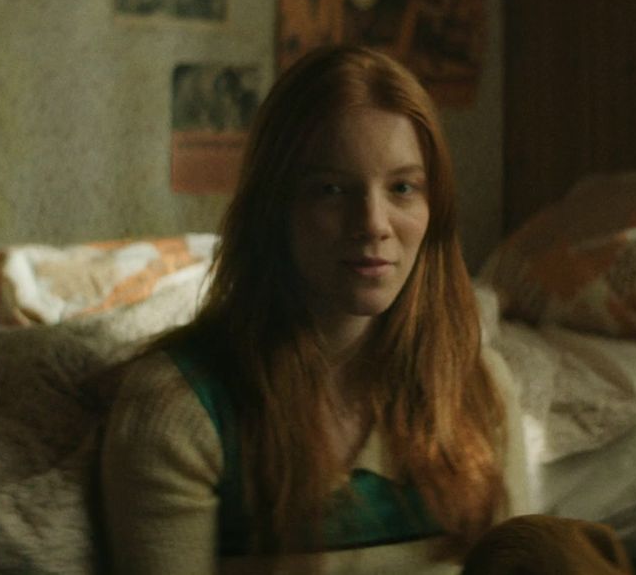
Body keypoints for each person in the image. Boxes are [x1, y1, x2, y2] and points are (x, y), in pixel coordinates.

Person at [101, 45, 527, 574]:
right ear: (274, 207)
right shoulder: (180, 410)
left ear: (433, 207)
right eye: (330, 189)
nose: (373, 222)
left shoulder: (480, 393)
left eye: (402, 188)